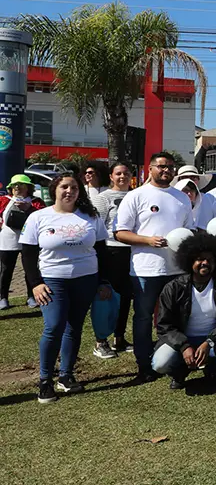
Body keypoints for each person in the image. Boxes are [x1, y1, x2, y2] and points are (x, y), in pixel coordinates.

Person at [20, 173, 111, 403]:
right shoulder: (39, 217)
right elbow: (28, 254)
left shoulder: (91, 217)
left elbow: (101, 250)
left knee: (74, 327)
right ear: (54, 190)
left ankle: (66, 375)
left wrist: (103, 281)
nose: (69, 191)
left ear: (80, 192)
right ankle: (45, 381)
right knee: (54, 326)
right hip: (52, 280)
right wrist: (36, 284)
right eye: (64, 187)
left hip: (86, 279)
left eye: (74, 187)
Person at [114, 152, 195, 382]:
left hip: (177, 270)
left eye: (170, 167)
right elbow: (120, 233)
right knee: (143, 317)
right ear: (150, 169)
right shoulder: (136, 196)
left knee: (177, 318)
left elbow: (189, 230)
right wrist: (148, 240)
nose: (166, 170)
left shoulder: (181, 198)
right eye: (161, 166)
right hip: (146, 271)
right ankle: (144, 364)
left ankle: (174, 362)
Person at [151, 231, 216, 391]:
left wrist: (209, 342)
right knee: (160, 363)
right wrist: (184, 346)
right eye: (200, 259)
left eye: (210, 260)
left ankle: (213, 369)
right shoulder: (173, 288)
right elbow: (164, 326)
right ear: (190, 260)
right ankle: (179, 372)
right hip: (181, 340)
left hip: (212, 340)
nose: (205, 263)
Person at [91, 163, 134, 356]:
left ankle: (119, 338)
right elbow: (96, 226)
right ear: (111, 176)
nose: (122, 177)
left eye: (126, 173)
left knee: (125, 297)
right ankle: (101, 341)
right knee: (107, 298)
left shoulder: (136, 195)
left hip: (132, 252)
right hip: (110, 251)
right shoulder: (103, 198)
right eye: (118, 174)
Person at [0, 174, 46, 310]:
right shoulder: (3, 200)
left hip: (29, 240)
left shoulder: (36, 201)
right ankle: (3, 297)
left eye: (21, 185)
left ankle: (31, 296)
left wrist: (29, 208)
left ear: (28, 187)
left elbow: (43, 217)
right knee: (5, 269)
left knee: (30, 269)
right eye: (14, 185)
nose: (17, 187)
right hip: (7, 240)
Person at [173, 166, 216, 230]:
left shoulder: (209, 199)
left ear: (198, 180)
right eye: (184, 178)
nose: (189, 180)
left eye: (193, 178)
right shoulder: (170, 200)